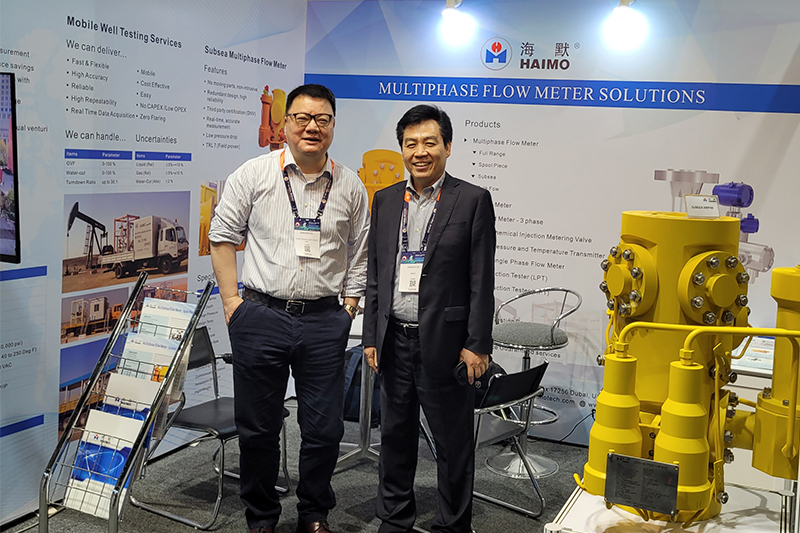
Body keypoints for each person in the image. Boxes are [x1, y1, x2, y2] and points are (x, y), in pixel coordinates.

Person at [208, 83, 370, 533]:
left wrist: (349, 306)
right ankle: (261, 517)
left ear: (333, 125)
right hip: (260, 316)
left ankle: (314, 513)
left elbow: (360, 251)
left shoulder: (350, 185)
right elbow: (221, 237)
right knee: (258, 427)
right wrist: (232, 303)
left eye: (322, 119)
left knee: (324, 429)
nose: (312, 127)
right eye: (302, 118)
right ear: (285, 124)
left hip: (324, 321)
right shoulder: (254, 174)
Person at [363, 104, 497, 532]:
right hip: (394, 341)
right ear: (402, 148)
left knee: (452, 444)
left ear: (447, 147)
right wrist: (371, 335)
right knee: (394, 438)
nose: (419, 152)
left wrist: (478, 344)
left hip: (447, 343)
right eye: (411, 143)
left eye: (429, 143)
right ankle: (394, 519)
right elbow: (376, 274)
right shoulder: (385, 200)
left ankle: (452, 525)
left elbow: (481, 280)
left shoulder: (472, 200)